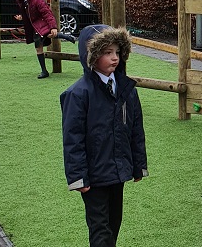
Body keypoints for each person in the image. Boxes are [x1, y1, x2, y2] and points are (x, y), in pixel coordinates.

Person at [61, 24, 148, 246]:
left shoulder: (127, 90)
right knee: (100, 228)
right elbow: (73, 139)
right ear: (92, 56)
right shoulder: (78, 94)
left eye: (117, 52)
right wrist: (78, 176)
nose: (114, 58)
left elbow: (136, 131)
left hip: (118, 172)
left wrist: (138, 166)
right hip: (94, 175)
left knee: (113, 223)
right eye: (107, 53)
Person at [13, 0, 76, 79]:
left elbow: (47, 14)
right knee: (41, 43)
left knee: (47, 37)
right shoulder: (25, 1)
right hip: (36, 27)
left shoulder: (37, 0)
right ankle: (44, 70)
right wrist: (22, 17)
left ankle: (67, 37)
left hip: (41, 25)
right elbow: (29, 13)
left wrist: (53, 27)